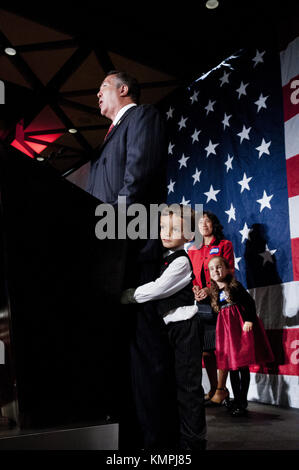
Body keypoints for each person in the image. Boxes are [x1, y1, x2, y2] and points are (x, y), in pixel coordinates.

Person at [87, 71, 175, 450]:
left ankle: (157, 448)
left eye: (102, 88)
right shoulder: (102, 147)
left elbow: (136, 180)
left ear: (123, 90)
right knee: (119, 358)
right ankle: (128, 441)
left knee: (144, 356)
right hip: (108, 258)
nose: (96, 94)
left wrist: (107, 239)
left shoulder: (143, 118)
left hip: (132, 252)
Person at [121, 205, 207, 450]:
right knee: (176, 384)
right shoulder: (164, 257)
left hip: (185, 329)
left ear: (190, 236)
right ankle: (179, 438)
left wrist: (129, 295)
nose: (166, 233)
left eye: (175, 229)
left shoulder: (181, 262)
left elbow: (158, 288)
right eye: (162, 228)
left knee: (189, 387)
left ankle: (194, 443)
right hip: (171, 328)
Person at [208, 256, 274, 416]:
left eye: (219, 267)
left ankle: (242, 402)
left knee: (241, 365)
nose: (215, 271)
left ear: (227, 269)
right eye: (212, 269)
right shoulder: (215, 292)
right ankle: (236, 400)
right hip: (227, 333)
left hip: (239, 329)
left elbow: (250, 303)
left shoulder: (235, 286)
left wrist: (249, 320)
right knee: (232, 367)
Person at [188, 211, 234, 406]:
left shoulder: (224, 245)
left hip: (221, 299)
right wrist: (196, 289)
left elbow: (228, 273)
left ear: (213, 224)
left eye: (207, 221)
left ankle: (222, 389)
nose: (204, 224)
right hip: (202, 302)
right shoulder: (192, 249)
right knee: (206, 350)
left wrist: (209, 289)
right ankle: (214, 390)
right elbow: (190, 276)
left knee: (221, 347)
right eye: (200, 222)